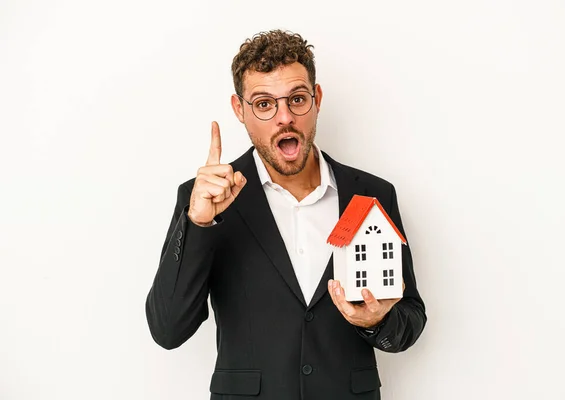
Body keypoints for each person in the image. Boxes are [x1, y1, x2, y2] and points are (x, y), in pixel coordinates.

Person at [145, 29, 426, 400]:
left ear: (317, 99)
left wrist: (378, 321)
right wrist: (199, 224)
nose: (284, 118)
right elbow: (168, 330)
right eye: (264, 104)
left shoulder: (373, 194)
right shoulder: (204, 201)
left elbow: (410, 318)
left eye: (296, 99)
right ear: (239, 110)